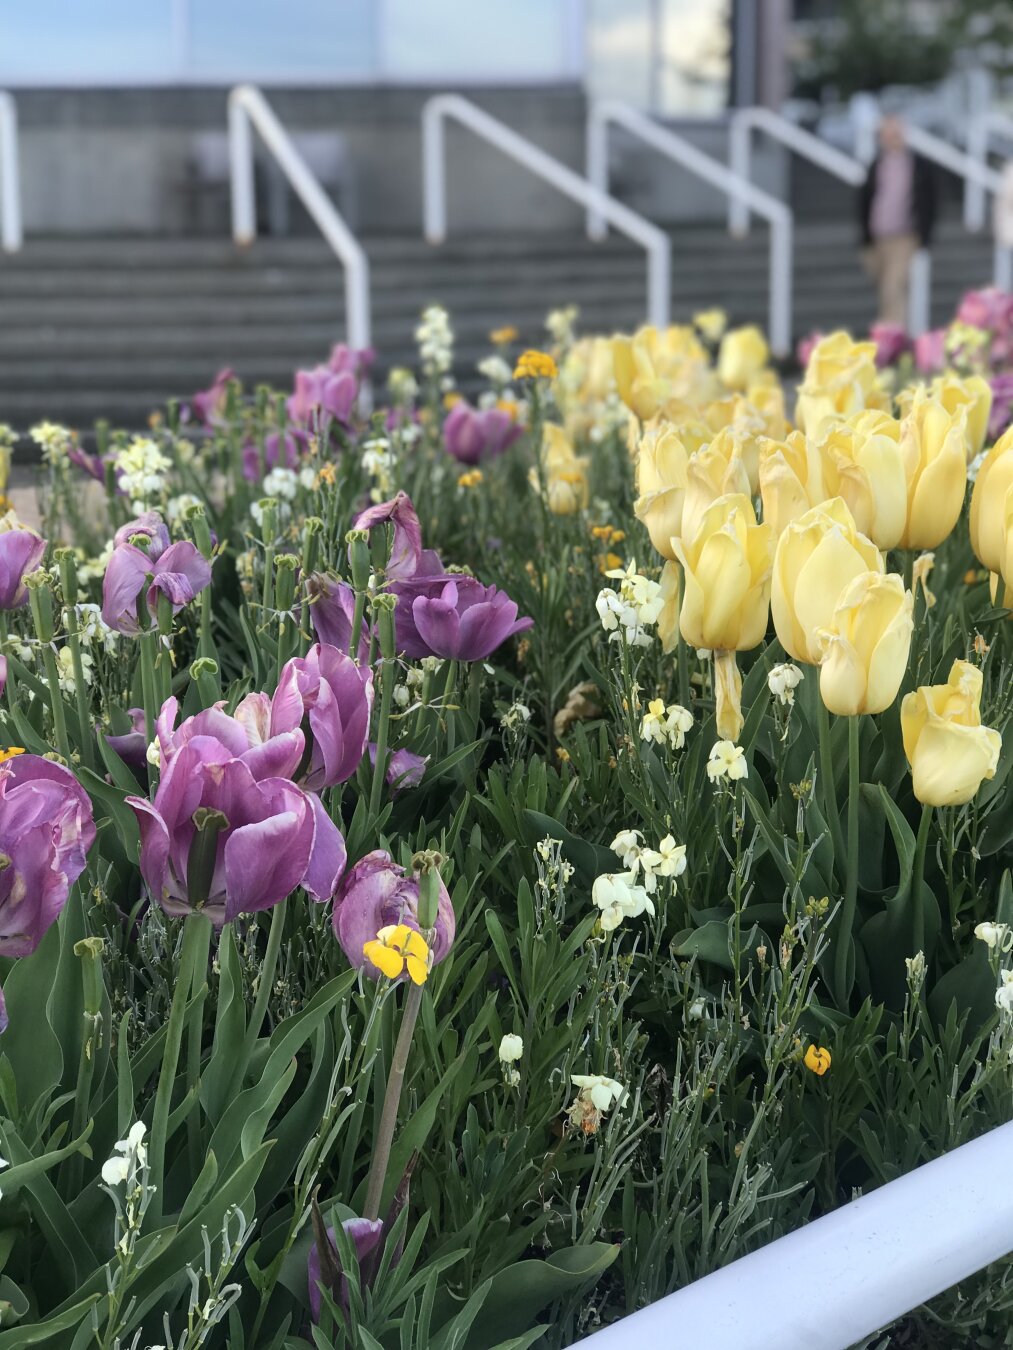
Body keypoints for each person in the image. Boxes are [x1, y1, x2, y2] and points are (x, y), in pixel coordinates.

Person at [858, 116, 936, 327]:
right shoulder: (876, 164)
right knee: (884, 287)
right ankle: (889, 331)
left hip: (905, 235)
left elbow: (929, 202)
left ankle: (892, 338)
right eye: (888, 134)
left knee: (894, 286)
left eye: (896, 134)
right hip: (877, 236)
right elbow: (865, 201)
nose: (892, 139)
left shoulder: (918, 165)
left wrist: (924, 236)